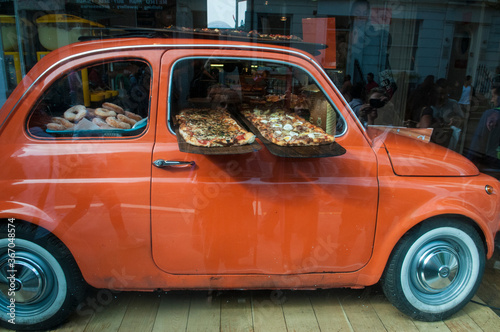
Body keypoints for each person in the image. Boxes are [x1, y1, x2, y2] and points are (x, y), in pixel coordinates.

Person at [418, 78, 464, 151]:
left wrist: (456, 120)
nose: (442, 97)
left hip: (448, 143)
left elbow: (462, 121)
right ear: (435, 93)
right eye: (440, 94)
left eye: (445, 94)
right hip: (430, 143)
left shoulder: (453, 104)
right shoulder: (429, 105)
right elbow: (423, 127)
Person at [467, 87, 500, 168]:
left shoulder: (491, 115)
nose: (492, 100)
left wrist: (469, 162)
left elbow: (478, 141)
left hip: (492, 162)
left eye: (493, 97)